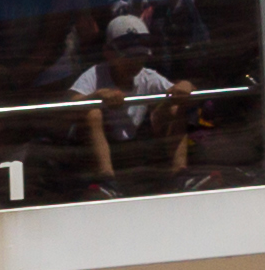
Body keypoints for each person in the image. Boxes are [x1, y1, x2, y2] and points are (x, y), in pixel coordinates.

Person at [68, 10, 187, 190]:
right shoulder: (95, 75)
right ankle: (106, 181)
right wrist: (97, 96)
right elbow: (71, 105)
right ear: (108, 53)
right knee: (91, 112)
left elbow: (177, 92)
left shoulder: (148, 77)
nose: (135, 62)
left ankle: (180, 176)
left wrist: (186, 87)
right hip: (98, 150)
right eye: (128, 57)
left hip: (137, 148)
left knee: (174, 108)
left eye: (139, 56)